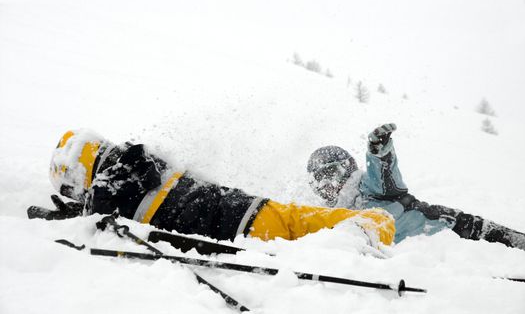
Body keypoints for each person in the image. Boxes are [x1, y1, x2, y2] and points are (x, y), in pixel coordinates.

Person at [27, 129, 396, 247]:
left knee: (308, 225)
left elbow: (103, 211)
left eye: (75, 189)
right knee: (305, 222)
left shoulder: (115, 183)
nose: (80, 196)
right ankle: (368, 226)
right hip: (247, 212)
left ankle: (371, 228)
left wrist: (68, 217)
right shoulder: (137, 164)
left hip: (243, 226)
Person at [307, 123, 525, 250]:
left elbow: (385, 179)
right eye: (319, 180)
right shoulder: (337, 215)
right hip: (434, 250)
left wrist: (380, 155)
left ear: (346, 168)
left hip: (453, 228)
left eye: (330, 174)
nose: (326, 184)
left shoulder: (366, 186)